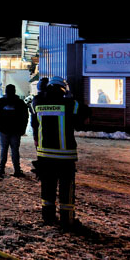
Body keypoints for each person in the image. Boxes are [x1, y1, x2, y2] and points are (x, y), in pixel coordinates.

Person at [30, 76, 88, 229]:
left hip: (44, 155)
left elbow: (34, 123)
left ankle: (48, 217)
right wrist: (72, 98)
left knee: (47, 187)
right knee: (66, 189)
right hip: (65, 157)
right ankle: (67, 220)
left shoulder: (38, 103)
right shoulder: (70, 104)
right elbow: (84, 117)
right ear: (64, 89)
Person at [0, 84, 29, 177]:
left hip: (4, 130)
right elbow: (25, 117)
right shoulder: (20, 103)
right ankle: (16, 170)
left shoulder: (1, 102)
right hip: (15, 131)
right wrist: (23, 129)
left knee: (4, 149)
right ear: (15, 91)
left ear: (6, 91)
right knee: (14, 150)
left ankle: (2, 169)